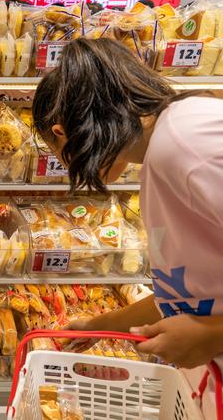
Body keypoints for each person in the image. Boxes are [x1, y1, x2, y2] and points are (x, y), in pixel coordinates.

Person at [32, 37, 223, 418]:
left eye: (58, 155)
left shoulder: (186, 147)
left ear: (62, 132)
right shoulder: (165, 149)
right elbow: (187, 291)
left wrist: (212, 335)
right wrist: (99, 325)